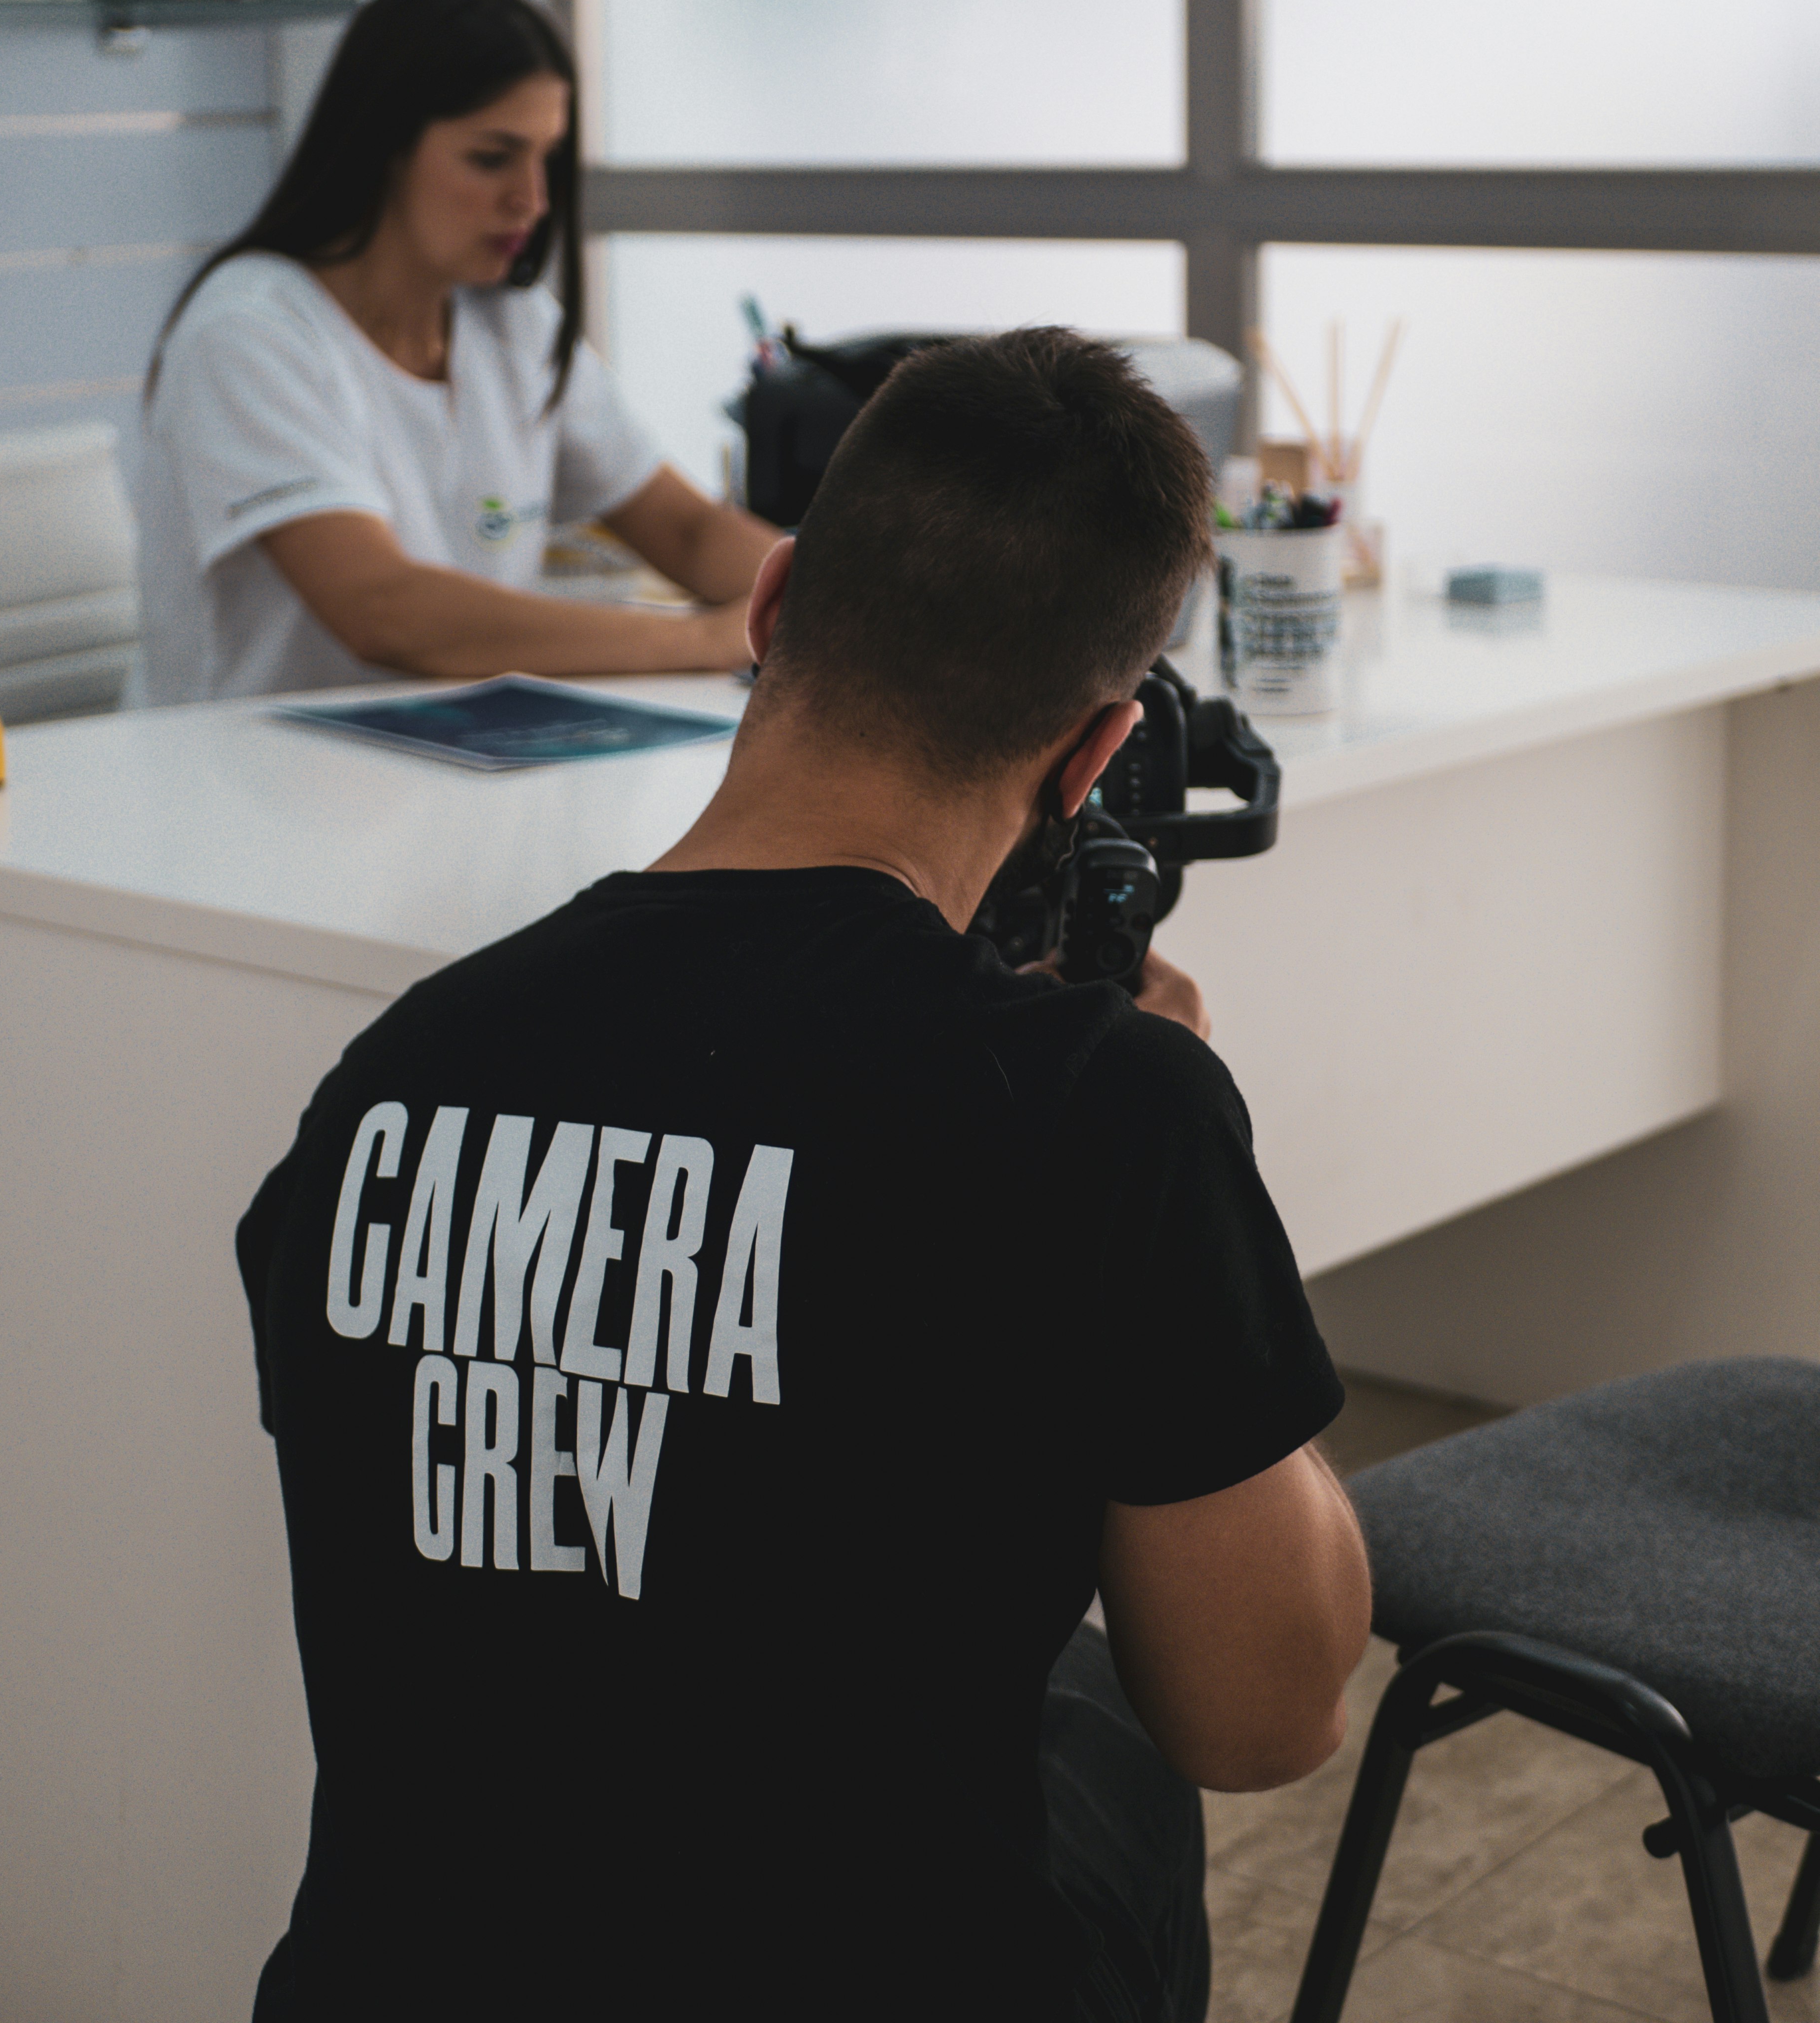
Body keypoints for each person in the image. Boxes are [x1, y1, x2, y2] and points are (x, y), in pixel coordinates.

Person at [237, 328, 1371, 2022]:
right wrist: (1188, 1170)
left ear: (768, 614)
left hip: (384, 1981)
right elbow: (1265, 1715)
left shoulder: (391, 1076)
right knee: (1106, 1725)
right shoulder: (1099, 1107)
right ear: (1090, 755)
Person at [137, 0, 776, 704]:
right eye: (492, 159)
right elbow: (385, 611)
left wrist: (842, 611)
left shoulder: (512, 321)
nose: (531, 200)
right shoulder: (248, 333)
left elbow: (688, 530)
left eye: (548, 161)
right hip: (252, 790)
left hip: (457, 769)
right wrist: (701, 641)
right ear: (385, 146)